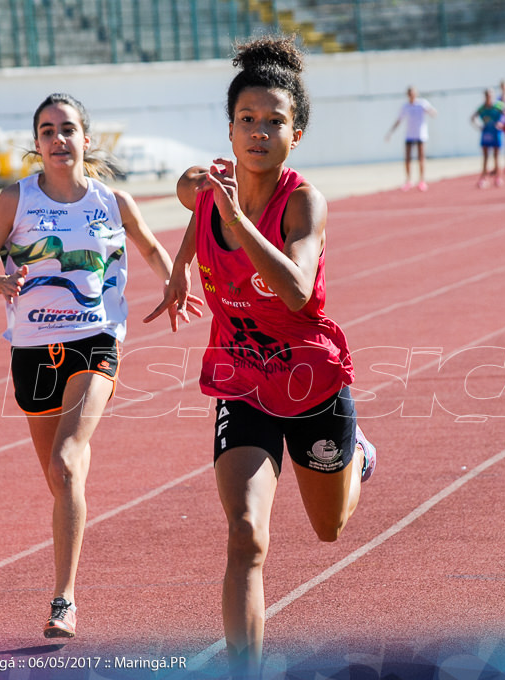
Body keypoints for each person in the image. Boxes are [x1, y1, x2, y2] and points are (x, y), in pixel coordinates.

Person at [145, 36, 376, 679]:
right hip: (242, 379)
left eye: (274, 121)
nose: (259, 132)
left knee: (328, 528)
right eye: (247, 119)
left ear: (294, 135)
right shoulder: (207, 185)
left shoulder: (304, 203)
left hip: (310, 379)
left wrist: (238, 224)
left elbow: (299, 290)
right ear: (229, 128)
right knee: (246, 534)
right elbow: (191, 195)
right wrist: (182, 266)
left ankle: (356, 454)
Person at [0, 92, 202, 638]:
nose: (58, 139)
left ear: (85, 139)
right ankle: (75, 496)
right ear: (37, 143)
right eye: (47, 131)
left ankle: (63, 599)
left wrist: (174, 281)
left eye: (67, 129)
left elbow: (152, 249)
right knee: (60, 477)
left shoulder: (111, 201)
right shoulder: (13, 202)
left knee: (67, 462)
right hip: (32, 352)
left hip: (95, 342)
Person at [385, 86, 437, 191]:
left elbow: (433, 112)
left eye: (413, 93)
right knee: (407, 159)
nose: (411, 95)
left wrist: (431, 111)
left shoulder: (422, 103)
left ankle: (422, 181)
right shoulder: (405, 107)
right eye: (409, 94)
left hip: (421, 135)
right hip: (409, 135)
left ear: (416, 94)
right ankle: (408, 181)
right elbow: (399, 120)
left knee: (421, 158)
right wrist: (390, 132)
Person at [472, 88, 505, 188]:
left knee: (496, 156)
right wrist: (479, 126)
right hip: (486, 132)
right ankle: (484, 178)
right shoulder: (482, 107)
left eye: (490, 95)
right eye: (487, 95)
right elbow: (473, 118)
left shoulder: (498, 105)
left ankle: (498, 177)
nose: (489, 97)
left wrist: (501, 122)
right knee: (486, 157)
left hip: (496, 133)